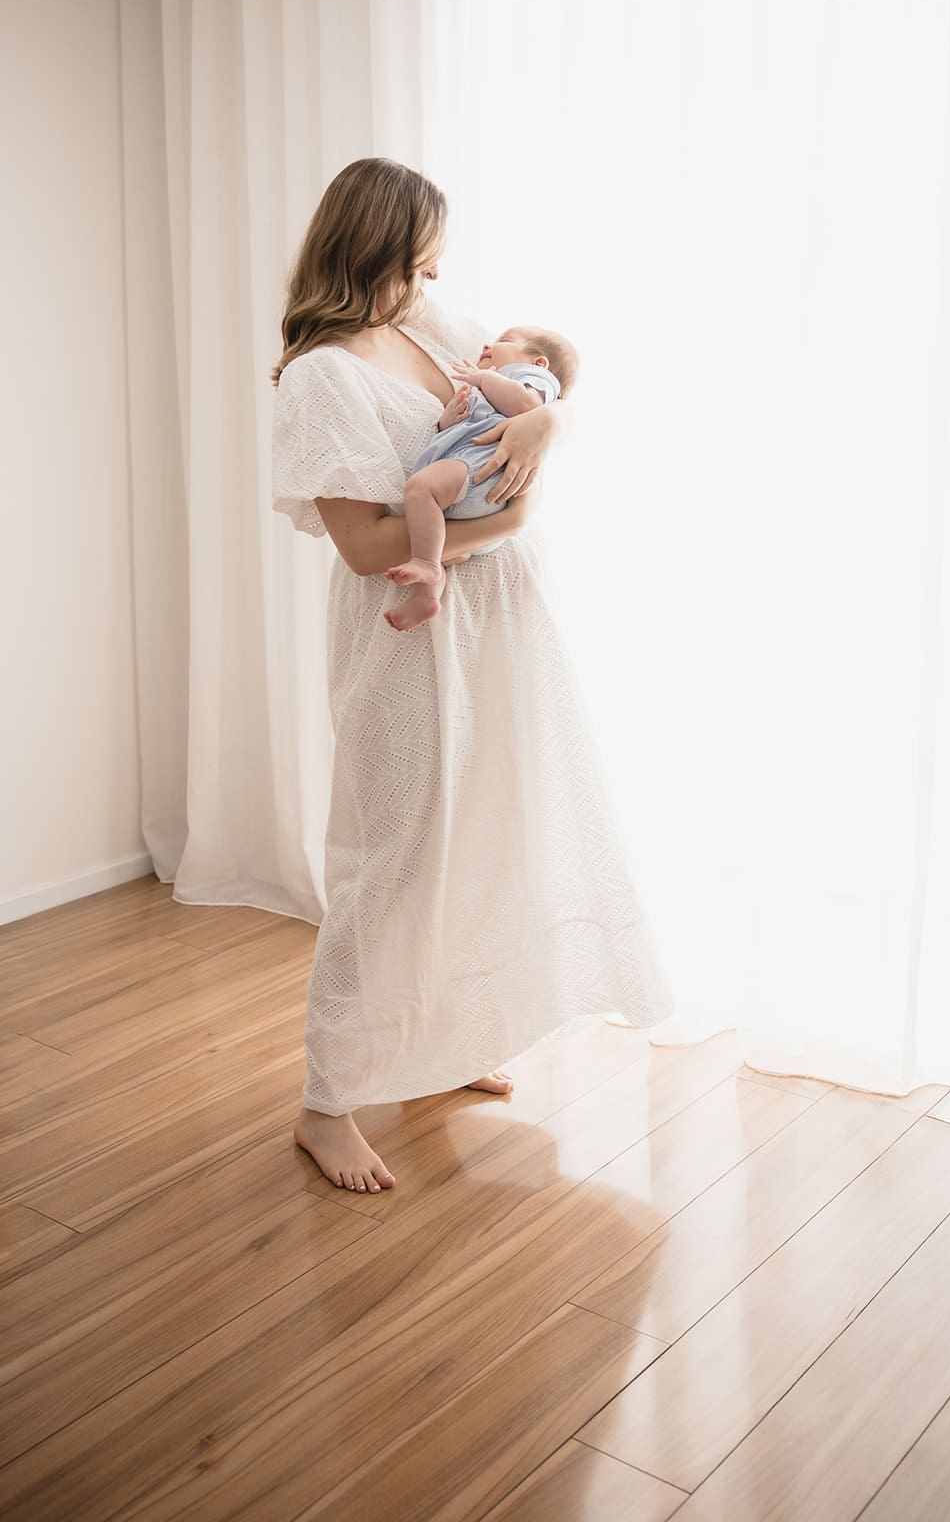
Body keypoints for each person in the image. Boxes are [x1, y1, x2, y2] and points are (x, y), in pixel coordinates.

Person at [271, 157, 675, 1195]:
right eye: (427, 245)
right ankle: (327, 1101)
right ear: (384, 241)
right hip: (408, 623)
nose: (441, 265)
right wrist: (510, 517)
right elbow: (365, 546)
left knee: (489, 824)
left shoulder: (434, 327)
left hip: (500, 615)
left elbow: (546, 391)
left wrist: (547, 423)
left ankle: (437, 1048)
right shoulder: (323, 373)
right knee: (392, 851)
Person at [383, 325, 578, 630]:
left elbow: (527, 406)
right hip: (470, 474)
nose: (488, 344)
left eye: (504, 341)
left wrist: (483, 378)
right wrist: (450, 418)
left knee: (421, 489)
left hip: (483, 467)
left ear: (539, 363)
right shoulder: (492, 387)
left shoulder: (531, 380)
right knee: (434, 535)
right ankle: (426, 594)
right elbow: (455, 430)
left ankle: (427, 565)